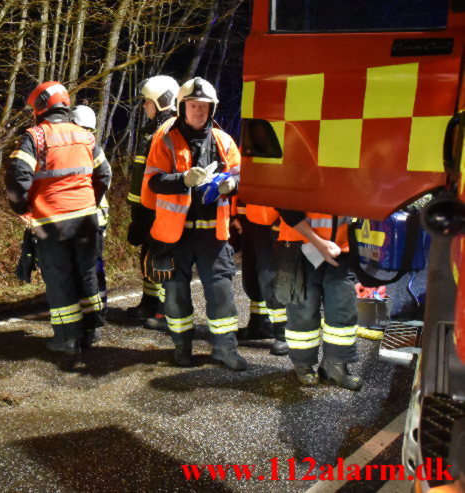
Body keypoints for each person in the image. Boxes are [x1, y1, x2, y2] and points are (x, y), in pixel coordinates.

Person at [142, 77, 246, 369]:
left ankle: (225, 350)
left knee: (222, 294)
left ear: (211, 109)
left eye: (204, 106)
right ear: (181, 107)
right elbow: (152, 182)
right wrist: (183, 180)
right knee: (176, 295)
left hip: (214, 235)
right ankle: (181, 348)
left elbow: (241, 176)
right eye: (193, 106)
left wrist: (231, 186)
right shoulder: (164, 139)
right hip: (176, 235)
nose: (198, 111)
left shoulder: (224, 140)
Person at [5, 82, 111, 355]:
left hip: (52, 223)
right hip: (87, 220)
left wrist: (24, 209)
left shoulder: (35, 137)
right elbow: (105, 175)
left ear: (39, 107)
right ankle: (91, 331)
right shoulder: (86, 136)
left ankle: (67, 339)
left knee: (60, 279)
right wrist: (90, 201)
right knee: (87, 275)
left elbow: (18, 178)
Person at [276, 210, 361, 390]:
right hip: (300, 246)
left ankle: (336, 365)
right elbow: (285, 207)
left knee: (342, 307)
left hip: (340, 248)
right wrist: (318, 242)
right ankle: (303, 364)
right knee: (303, 310)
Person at [126, 75, 180, 331]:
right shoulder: (152, 129)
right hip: (146, 208)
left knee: (162, 258)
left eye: (147, 102)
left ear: (162, 101)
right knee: (147, 256)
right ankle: (149, 301)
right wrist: (138, 211)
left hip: (161, 210)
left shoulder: (170, 129)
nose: (144, 106)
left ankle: (164, 308)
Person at [235, 202, 289, 355]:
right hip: (251, 217)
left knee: (270, 276)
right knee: (253, 275)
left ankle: (284, 333)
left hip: (274, 220)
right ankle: (260, 323)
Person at [70, 105, 109, 310]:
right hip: (96, 219)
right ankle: (97, 310)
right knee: (94, 267)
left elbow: (104, 177)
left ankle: (91, 312)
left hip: (87, 218)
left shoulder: (80, 148)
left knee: (87, 268)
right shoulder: (92, 146)